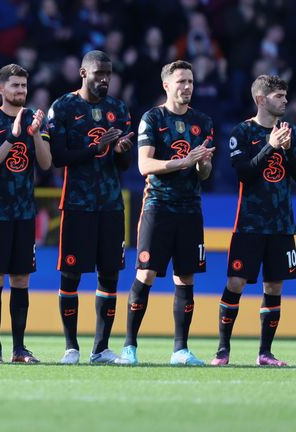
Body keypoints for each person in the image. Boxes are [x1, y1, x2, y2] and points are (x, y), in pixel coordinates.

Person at [120, 60, 215, 365]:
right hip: (158, 207)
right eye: (181, 82)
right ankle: (129, 347)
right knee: (145, 274)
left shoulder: (203, 122)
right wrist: (183, 162)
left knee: (185, 278)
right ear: (167, 85)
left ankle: (180, 350)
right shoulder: (152, 118)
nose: (186, 86)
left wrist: (201, 164)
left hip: (190, 210)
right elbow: (144, 166)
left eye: (189, 81)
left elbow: (204, 174)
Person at [46, 50, 133, 364]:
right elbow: (58, 158)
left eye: (108, 74)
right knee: (71, 275)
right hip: (77, 204)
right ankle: (71, 347)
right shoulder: (64, 107)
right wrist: (95, 147)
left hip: (110, 205)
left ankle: (101, 348)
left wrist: (121, 149)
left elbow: (123, 164)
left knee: (109, 276)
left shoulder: (118, 109)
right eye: (98, 74)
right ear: (83, 73)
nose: (104, 79)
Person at [212, 75, 294, 367]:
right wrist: (271, 147)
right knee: (235, 282)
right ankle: (222, 350)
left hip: (282, 224)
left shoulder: (289, 132)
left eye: (285, 96)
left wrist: (286, 150)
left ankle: (265, 353)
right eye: (278, 96)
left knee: (274, 287)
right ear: (261, 99)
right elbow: (244, 173)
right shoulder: (242, 132)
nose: (284, 100)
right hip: (249, 223)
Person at [0, 63, 51, 363]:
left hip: (24, 214)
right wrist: (12, 135)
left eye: (24, 86)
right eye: (15, 86)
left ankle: (19, 348)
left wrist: (34, 134)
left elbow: (45, 164)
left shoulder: (34, 119)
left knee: (21, 280)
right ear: (1, 89)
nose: (21, 90)